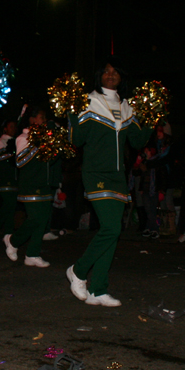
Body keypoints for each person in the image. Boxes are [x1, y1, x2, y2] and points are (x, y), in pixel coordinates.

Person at [66, 60, 152, 306]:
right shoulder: (89, 101)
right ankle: (78, 271)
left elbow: (136, 141)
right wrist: (72, 112)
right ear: (99, 76)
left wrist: (151, 118)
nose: (110, 74)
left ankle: (98, 290)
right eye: (105, 71)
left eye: (115, 71)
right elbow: (77, 139)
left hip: (119, 176)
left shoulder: (126, 107)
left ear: (122, 77)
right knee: (111, 228)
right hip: (95, 172)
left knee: (113, 231)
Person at [2, 105, 58, 268]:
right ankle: (13, 240)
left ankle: (32, 254)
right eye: (41, 118)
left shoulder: (44, 138)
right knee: (34, 219)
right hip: (30, 185)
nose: (44, 121)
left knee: (42, 220)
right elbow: (20, 161)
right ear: (32, 120)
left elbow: (49, 162)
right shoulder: (23, 138)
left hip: (44, 185)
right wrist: (38, 144)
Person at [0, 119, 18, 240]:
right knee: (9, 203)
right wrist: (9, 153)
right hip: (4, 177)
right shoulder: (0, 141)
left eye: (14, 127)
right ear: (5, 128)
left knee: (12, 204)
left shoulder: (15, 141)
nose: (13, 129)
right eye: (11, 126)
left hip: (14, 176)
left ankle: (8, 233)